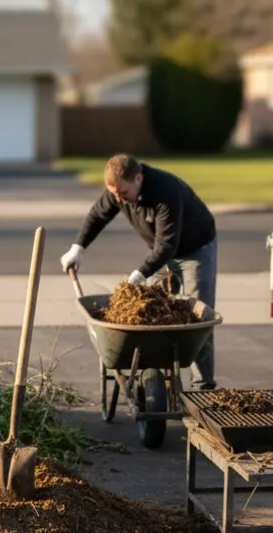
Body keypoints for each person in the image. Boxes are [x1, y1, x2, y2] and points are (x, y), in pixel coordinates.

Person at [60, 153, 219, 391]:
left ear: (138, 178)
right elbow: (97, 215)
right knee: (149, 309)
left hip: (195, 249)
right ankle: (157, 377)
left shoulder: (167, 192)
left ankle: (203, 387)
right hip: (160, 253)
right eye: (114, 193)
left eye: (123, 193)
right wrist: (78, 247)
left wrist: (139, 274)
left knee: (198, 317)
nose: (119, 199)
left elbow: (167, 245)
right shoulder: (119, 190)